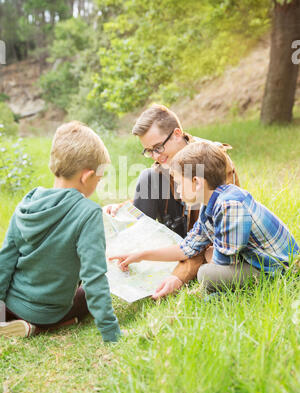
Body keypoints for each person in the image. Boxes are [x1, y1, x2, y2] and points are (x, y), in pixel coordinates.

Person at [109, 141, 299, 292]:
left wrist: (210, 254)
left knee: (206, 275)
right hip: (257, 259)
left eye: (178, 183)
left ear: (196, 182)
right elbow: (187, 248)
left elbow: (223, 263)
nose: (177, 191)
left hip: (278, 267)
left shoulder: (229, 206)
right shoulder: (211, 205)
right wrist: (141, 255)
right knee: (208, 262)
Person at [0, 121, 121, 342]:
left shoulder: (26, 203)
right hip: (47, 312)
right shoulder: (88, 212)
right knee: (86, 295)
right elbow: (93, 277)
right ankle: (40, 326)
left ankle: (9, 321)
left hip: (11, 303)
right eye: (99, 178)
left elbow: (4, 263)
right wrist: (111, 333)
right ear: (87, 176)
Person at [107, 104, 240, 298]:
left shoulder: (212, 160)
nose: (156, 156)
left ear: (177, 134)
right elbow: (152, 191)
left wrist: (179, 277)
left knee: (208, 260)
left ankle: (164, 267)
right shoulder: (164, 164)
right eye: (148, 151)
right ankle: (126, 260)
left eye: (158, 147)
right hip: (180, 235)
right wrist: (122, 209)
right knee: (149, 177)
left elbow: (213, 237)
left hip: (205, 240)